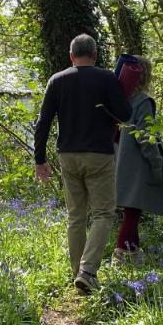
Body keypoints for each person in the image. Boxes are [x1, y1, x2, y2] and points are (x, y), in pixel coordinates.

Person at [34, 34, 131, 292]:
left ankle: (78, 273)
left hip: (68, 155)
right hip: (99, 154)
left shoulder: (57, 80)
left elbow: (43, 122)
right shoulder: (107, 78)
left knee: (75, 216)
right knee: (103, 213)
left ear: (71, 56)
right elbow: (125, 114)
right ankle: (88, 271)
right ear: (95, 55)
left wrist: (40, 160)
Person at [113, 56, 163, 262]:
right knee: (133, 212)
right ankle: (123, 255)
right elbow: (147, 137)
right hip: (136, 163)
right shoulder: (143, 101)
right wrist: (156, 163)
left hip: (120, 160)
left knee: (131, 211)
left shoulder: (121, 98)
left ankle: (131, 254)